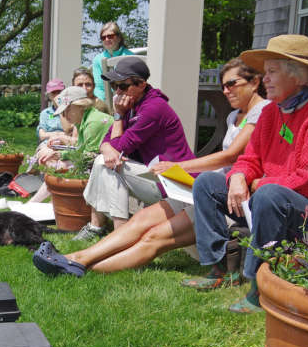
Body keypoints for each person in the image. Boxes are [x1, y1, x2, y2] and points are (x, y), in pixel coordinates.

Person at [32, 59, 270, 278]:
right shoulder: (235, 116)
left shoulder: (263, 111)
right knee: (141, 219)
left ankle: (78, 266)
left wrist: (177, 165)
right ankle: (73, 259)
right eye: (223, 85)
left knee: (153, 238)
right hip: (204, 189)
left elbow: (231, 156)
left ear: (255, 82)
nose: (118, 93)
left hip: (217, 196)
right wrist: (117, 119)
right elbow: (110, 144)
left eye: (232, 84)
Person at [183, 34, 308, 313]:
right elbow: (250, 158)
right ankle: (219, 269)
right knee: (207, 183)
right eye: (266, 72)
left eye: (272, 72)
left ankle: (257, 289)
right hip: (271, 200)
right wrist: (239, 176)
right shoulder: (273, 111)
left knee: (269, 194)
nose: (265, 79)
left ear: (297, 75)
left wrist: (258, 182)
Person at [79, 57, 195, 237]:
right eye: (114, 86)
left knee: (105, 163)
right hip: (154, 175)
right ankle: (103, 229)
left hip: (172, 184)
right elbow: (107, 141)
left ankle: (118, 234)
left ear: (141, 84)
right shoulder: (133, 105)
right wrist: (107, 146)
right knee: (104, 160)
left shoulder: (153, 108)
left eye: (123, 86)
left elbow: (118, 147)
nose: (117, 91)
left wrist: (117, 115)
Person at [28, 68, 112, 204]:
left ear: (80, 106)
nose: (65, 116)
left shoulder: (93, 122)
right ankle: (37, 204)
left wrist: (60, 157)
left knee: (58, 167)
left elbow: (88, 157)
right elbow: (81, 148)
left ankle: (40, 205)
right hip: (98, 165)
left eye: (67, 110)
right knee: (57, 165)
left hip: (106, 169)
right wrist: (59, 155)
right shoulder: (83, 119)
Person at [92, 22, 133, 102]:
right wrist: (103, 106)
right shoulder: (97, 59)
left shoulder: (130, 56)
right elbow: (99, 87)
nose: (106, 39)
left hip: (127, 100)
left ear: (119, 38)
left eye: (110, 36)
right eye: (103, 37)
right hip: (105, 101)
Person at [37, 78, 75, 145]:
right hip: (48, 144)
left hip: (66, 144)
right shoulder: (45, 113)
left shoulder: (72, 110)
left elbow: (70, 132)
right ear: (49, 95)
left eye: (59, 92)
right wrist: (59, 134)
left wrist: (61, 108)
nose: (57, 95)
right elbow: (42, 135)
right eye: (53, 93)